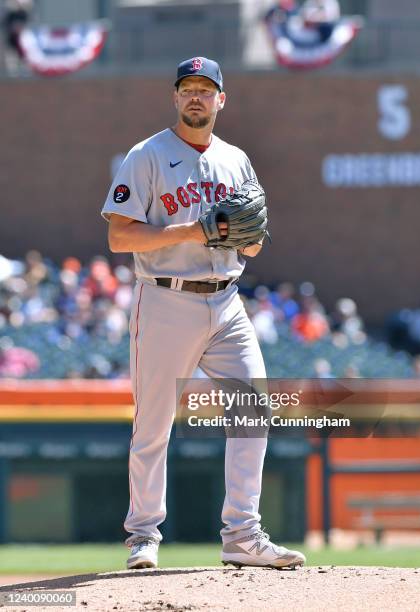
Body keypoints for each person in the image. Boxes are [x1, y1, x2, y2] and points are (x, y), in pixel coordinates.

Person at [102, 57, 306, 570]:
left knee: (252, 410)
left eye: (205, 89)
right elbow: (120, 235)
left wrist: (243, 234)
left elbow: (255, 244)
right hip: (166, 296)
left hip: (227, 300)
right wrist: (193, 230)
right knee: (154, 423)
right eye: (187, 88)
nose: (196, 96)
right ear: (175, 98)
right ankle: (143, 536)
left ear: (221, 99)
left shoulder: (237, 159)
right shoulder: (146, 155)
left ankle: (242, 535)